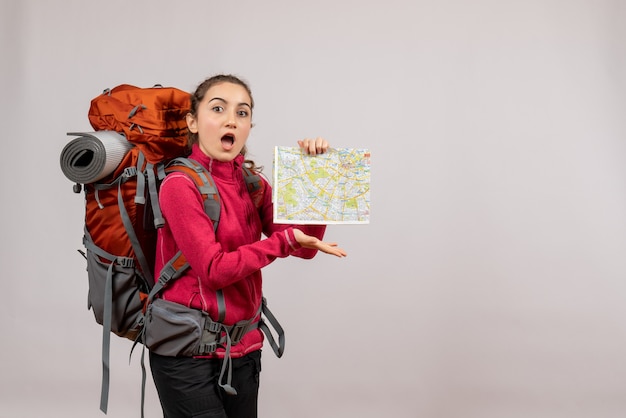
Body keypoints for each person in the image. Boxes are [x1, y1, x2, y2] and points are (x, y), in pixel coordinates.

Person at [149, 74, 347, 418]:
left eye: (242, 113)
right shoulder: (179, 185)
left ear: (249, 126)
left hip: (242, 349)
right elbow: (214, 271)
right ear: (193, 122)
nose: (231, 119)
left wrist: (314, 177)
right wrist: (281, 242)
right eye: (218, 108)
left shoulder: (251, 182)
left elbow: (304, 247)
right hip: (186, 356)